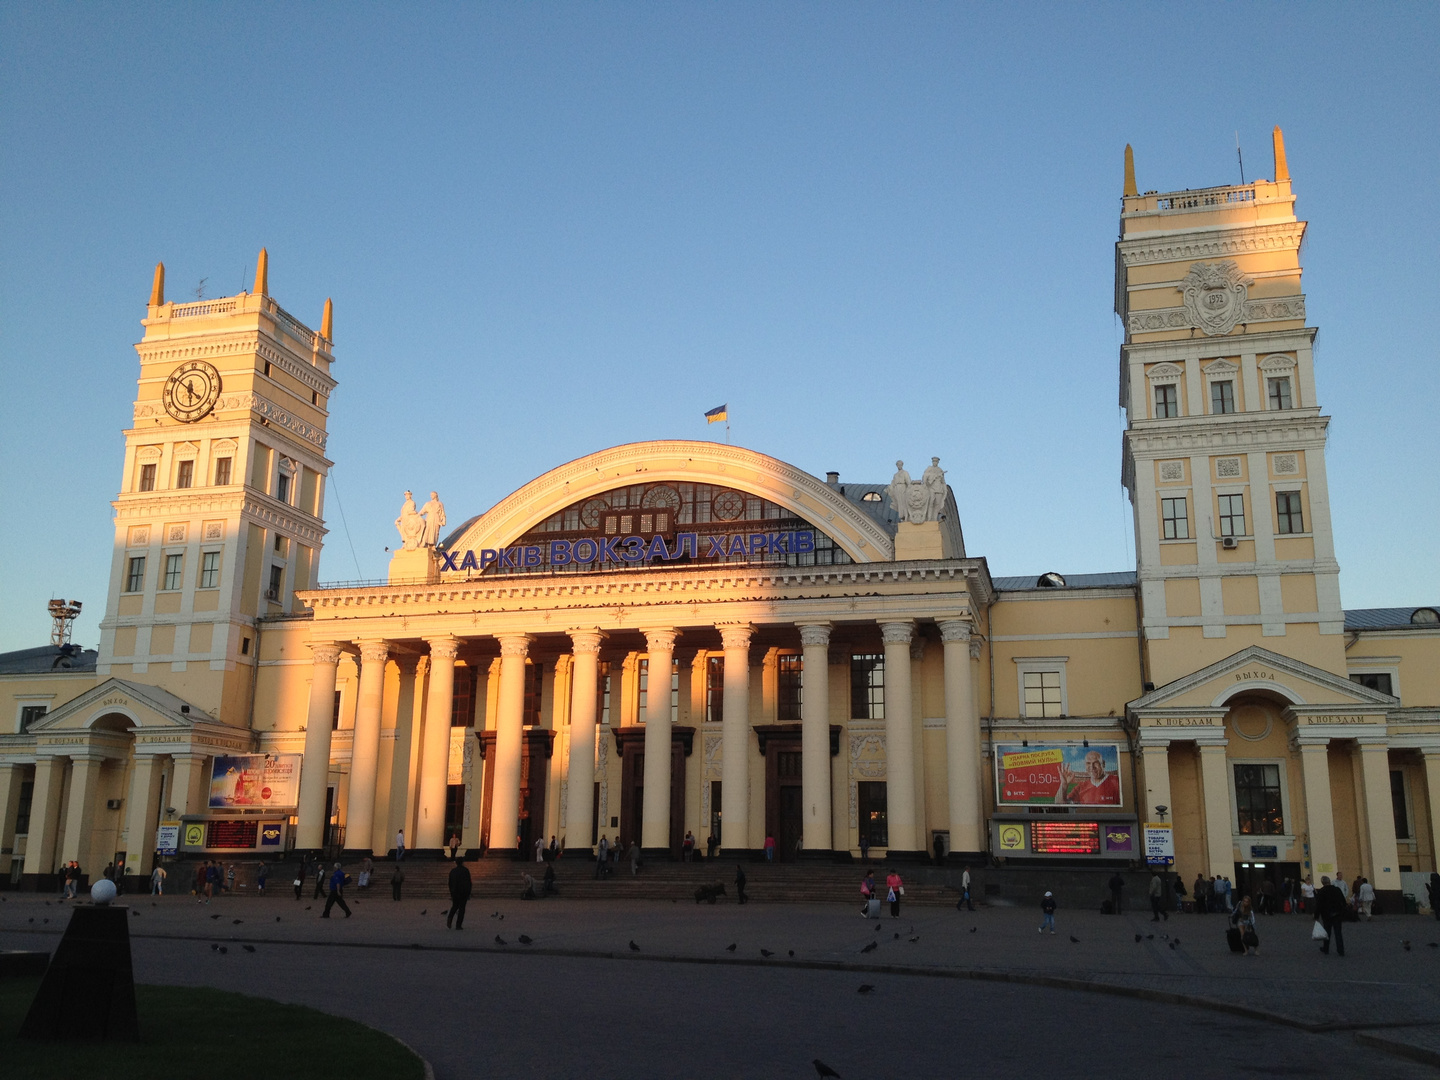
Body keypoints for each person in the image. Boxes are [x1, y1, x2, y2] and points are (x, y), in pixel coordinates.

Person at [1054, 749, 1121, 805]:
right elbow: (1059, 803)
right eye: (1088, 763)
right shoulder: (1081, 787)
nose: (1092, 767)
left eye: (1095, 763)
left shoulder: (1116, 782)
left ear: (1103, 764)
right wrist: (1063, 785)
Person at [1314, 875, 1346, 956]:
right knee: (1338, 933)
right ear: (1329, 881)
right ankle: (1340, 950)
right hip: (1337, 914)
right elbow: (1343, 901)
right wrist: (1342, 911)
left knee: (1327, 933)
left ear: (1322, 883)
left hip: (1326, 915)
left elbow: (1318, 905)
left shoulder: (1321, 891)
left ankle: (1326, 948)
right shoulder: (1337, 889)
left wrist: (1316, 916)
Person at [446, 858, 472, 929]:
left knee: (454, 906)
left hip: (455, 892)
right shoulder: (465, 870)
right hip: (463, 893)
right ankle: (458, 925)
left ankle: (449, 919)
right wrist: (469, 892)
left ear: (456, 863)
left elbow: (450, 883)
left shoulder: (453, 871)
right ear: (462, 862)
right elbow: (469, 882)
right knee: (462, 909)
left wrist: (451, 892)